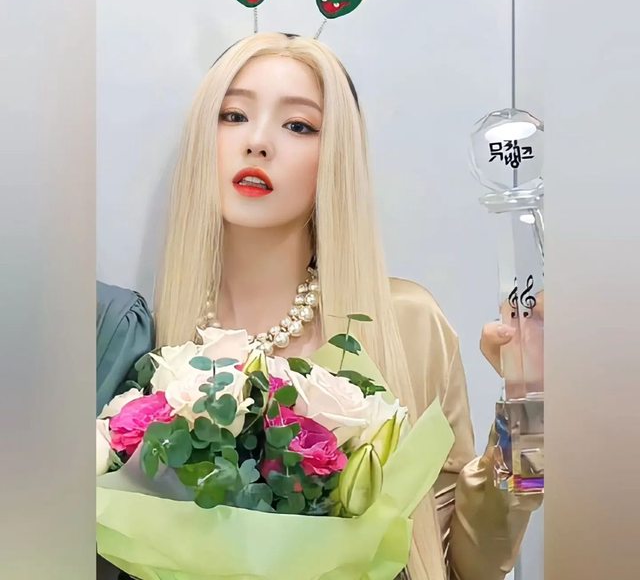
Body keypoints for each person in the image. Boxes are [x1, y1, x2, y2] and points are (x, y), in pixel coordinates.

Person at [98, 32, 538, 580]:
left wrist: (528, 415)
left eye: (299, 125)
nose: (258, 142)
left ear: (336, 158)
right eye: (233, 116)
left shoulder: (406, 323)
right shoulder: (142, 340)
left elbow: (469, 566)